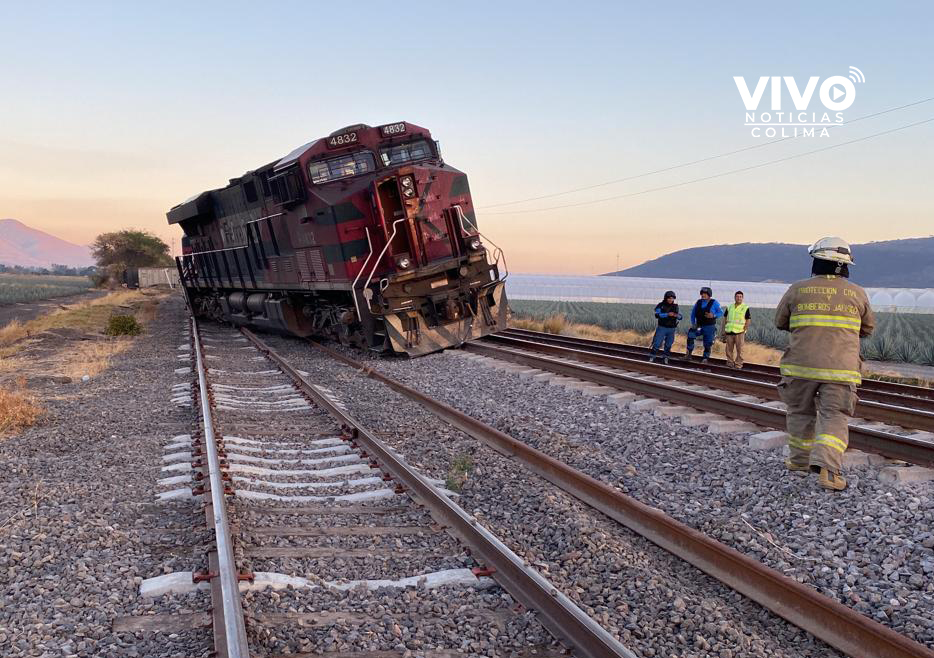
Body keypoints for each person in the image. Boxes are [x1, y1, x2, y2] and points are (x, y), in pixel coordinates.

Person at [774, 237, 875, 491]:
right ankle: (829, 471)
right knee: (834, 417)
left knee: (799, 413)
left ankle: (799, 462)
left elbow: (780, 321)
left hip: (800, 367)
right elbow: (867, 328)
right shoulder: (858, 293)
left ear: (816, 261)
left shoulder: (797, 289)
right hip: (841, 370)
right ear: (845, 266)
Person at [686, 286, 722, 363]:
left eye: (705, 294)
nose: (703, 295)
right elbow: (693, 314)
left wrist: (713, 315)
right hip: (698, 325)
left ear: (709, 294)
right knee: (690, 335)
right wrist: (693, 323)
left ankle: (705, 358)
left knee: (708, 342)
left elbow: (720, 312)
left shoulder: (714, 302)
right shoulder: (698, 302)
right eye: (702, 293)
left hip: (709, 326)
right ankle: (688, 355)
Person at [720, 291, 751, 368]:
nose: (739, 298)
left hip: (740, 332)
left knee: (740, 350)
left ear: (742, 298)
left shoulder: (745, 307)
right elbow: (725, 319)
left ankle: (738, 364)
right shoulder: (729, 307)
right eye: (737, 296)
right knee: (728, 349)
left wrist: (745, 330)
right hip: (729, 331)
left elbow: (748, 320)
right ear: (735, 297)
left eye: (740, 297)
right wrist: (723, 331)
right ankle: (730, 363)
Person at [649, 291, 681, 364]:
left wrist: (677, 316)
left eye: (672, 298)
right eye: (669, 298)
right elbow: (657, 315)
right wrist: (667, 314)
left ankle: (665, 358)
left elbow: (680, 317)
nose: (670, 300)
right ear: (666, 298)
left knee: (668, 344)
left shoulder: (675, 306)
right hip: (662, 327)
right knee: (657, 343)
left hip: (672, 328)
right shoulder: (660, 305)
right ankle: (652, 356)